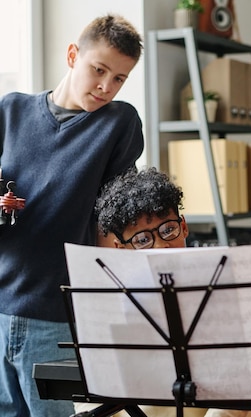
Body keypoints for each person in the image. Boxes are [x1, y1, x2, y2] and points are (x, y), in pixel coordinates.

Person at [0, 14, 144, 416]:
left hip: (54, 312)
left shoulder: (119, 123)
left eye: (119, 78)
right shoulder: (10, 111)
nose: (106, 86)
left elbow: (115, 219)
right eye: (98, 70)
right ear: (72, 55)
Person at [76, 167, 251, 417]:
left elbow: (240, 383)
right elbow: (90, 394)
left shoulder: (224, 287)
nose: (161, 246)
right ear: (120, 247)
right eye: (142, 240)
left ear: (184, 226)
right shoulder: (107, 304)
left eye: (168, 230)